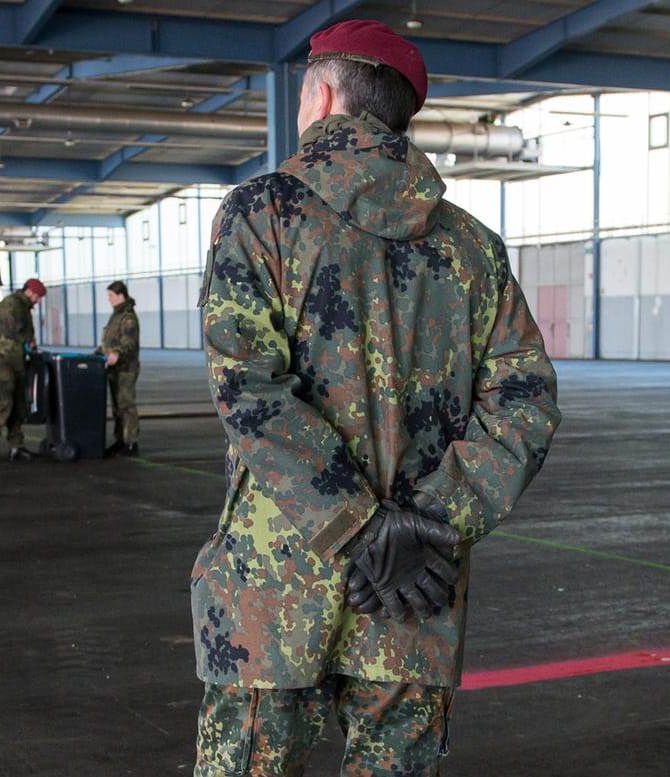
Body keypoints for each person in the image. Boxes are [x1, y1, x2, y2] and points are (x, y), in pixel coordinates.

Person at [193, 20, 560, 776]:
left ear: (322, 96)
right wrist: (429, 523)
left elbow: (249, 386)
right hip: (414, 595)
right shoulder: (472, 248)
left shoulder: (261, 215)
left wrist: (359, 527)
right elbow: (525, 401)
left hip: (276, 588)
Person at [0, 277, 45, 463]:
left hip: (15, 360)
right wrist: (28, 340)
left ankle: (16, 446)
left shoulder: (24, 308)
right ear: (29, 292)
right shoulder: (10, 305)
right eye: (38, 296)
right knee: (4, 402)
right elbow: (13, 329)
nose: (38, 301)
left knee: (18, 404)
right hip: (1, 360)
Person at [96, 280, 140, 457]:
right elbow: (110, 341)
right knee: (117, 406)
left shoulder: (127, 317)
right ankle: (120, 439)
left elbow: (129, 344)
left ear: (121, 295)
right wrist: (97, 353)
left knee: (126, 405)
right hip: (114, 369)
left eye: (111, 296)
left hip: (125, 369)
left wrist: (117, 354)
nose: (109, 299)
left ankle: (131, 442)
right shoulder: (116, 315)